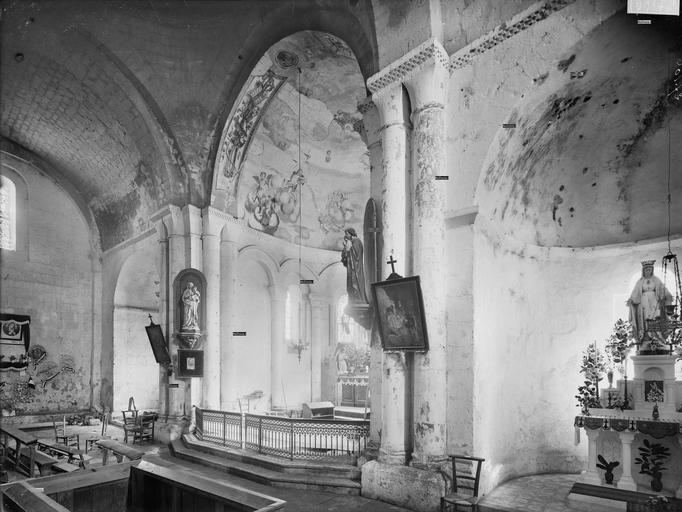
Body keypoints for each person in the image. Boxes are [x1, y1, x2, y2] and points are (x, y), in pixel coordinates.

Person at [627, 260, 672, 341]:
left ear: (652, 270)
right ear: (643, 271)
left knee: (655, 316)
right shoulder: (640, 281)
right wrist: (631, 300)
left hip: (654, 302)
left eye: (650, 269)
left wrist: (667, 296)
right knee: (645, 317)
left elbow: (663, 289)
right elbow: (635, 292)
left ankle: (657, 336)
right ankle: (645, 336)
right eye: (646, 269)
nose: (648, 271)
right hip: (643, 302)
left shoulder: (656, 280)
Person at [341, 227, 368, 304]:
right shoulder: (352, 242)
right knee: (351, 284)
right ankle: (354, 299)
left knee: (355, 282)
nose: (346, 235)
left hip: (356, 268)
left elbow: (356, 255)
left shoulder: (356, 241)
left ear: (351, 233)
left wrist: (347, 249)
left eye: (347, 234)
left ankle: (358, 298)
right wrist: (346, 249)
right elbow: (348, 255)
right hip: (352, 267)